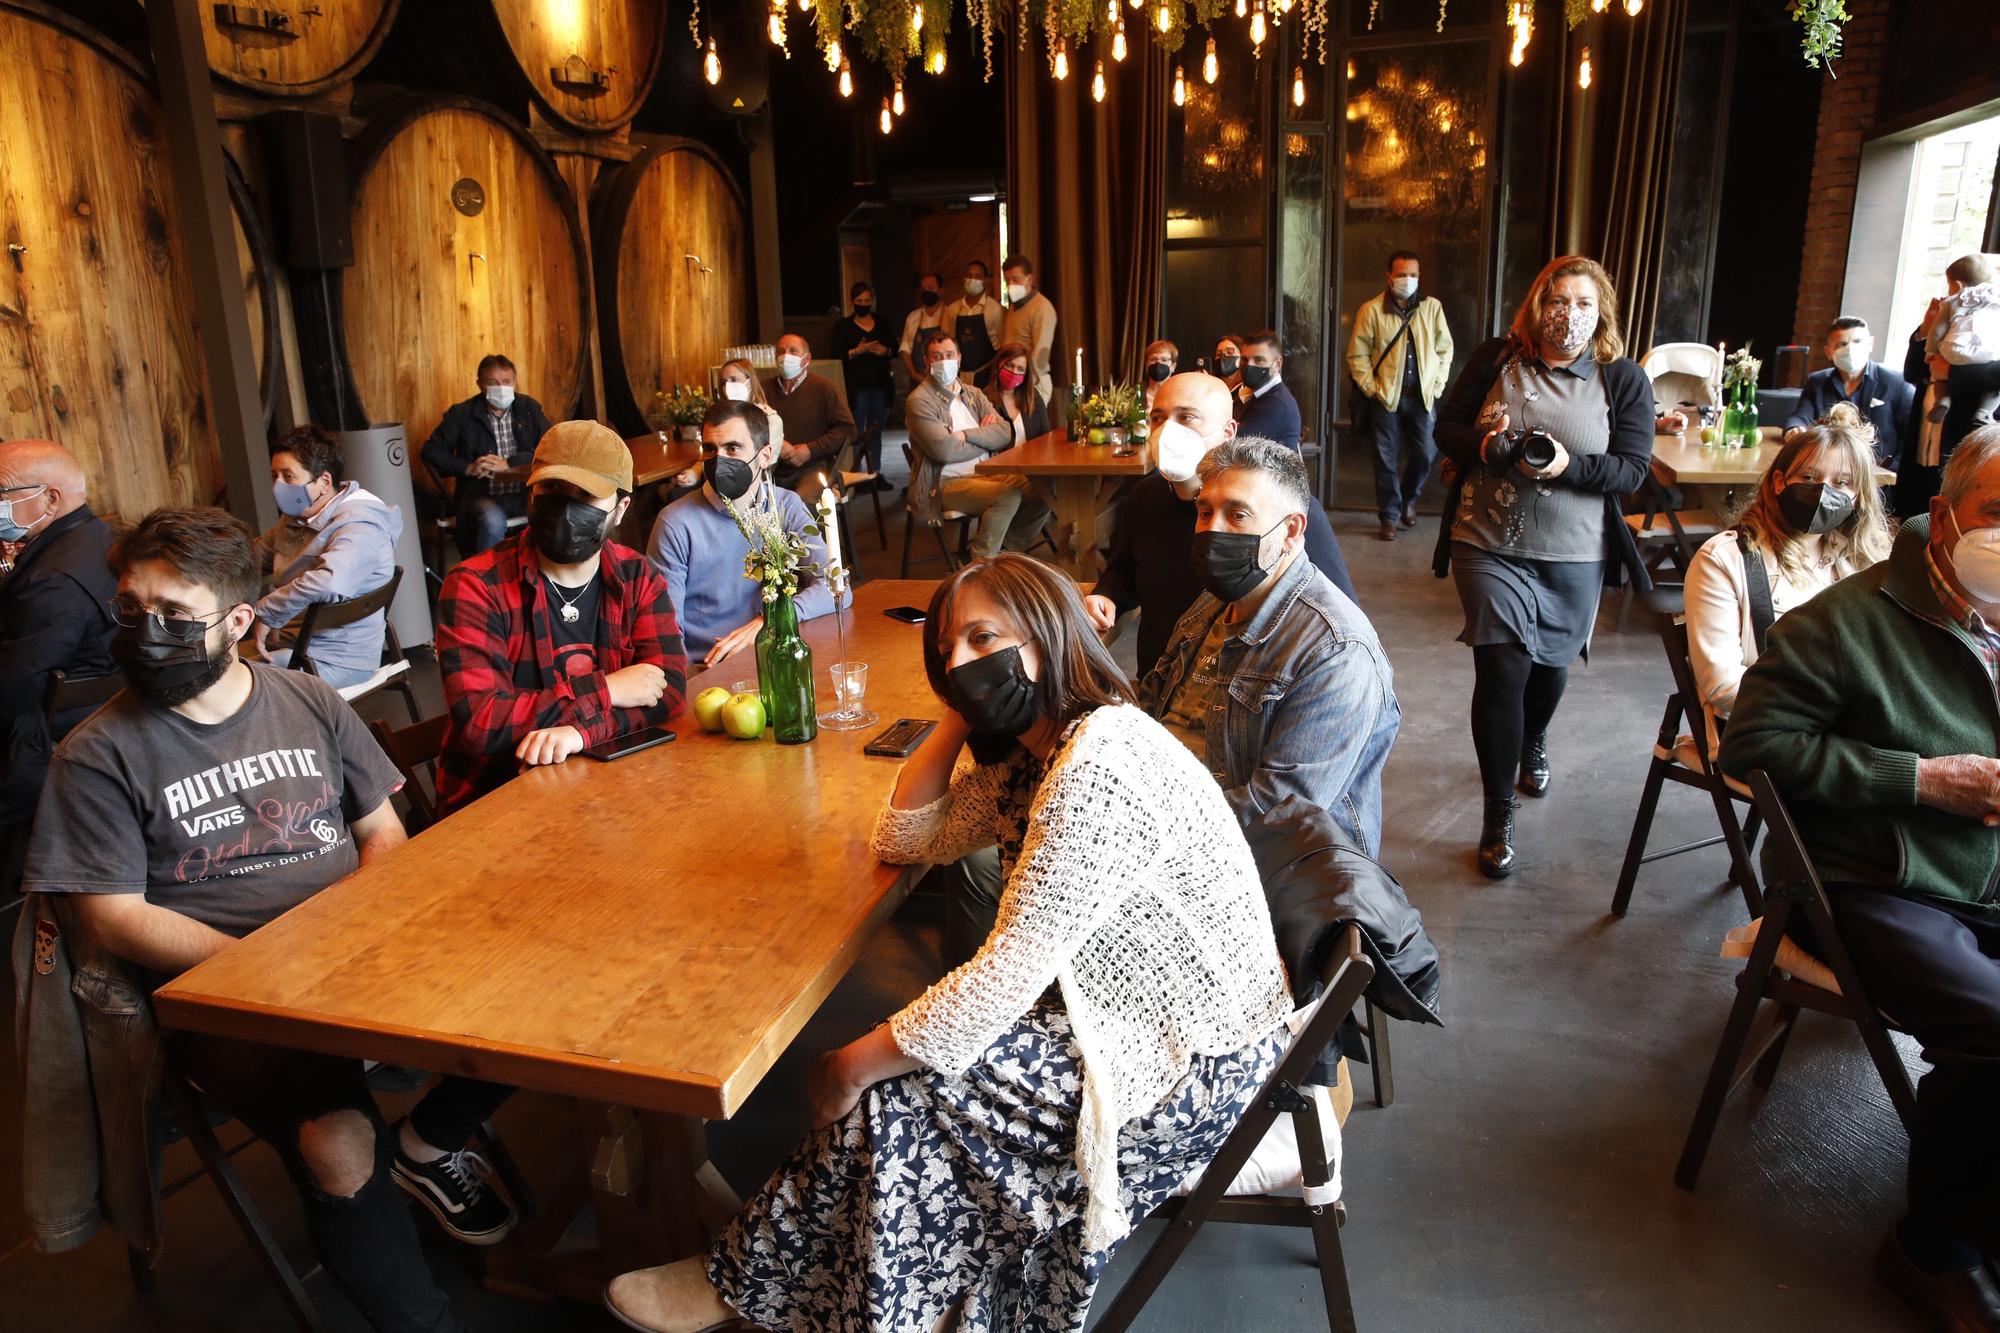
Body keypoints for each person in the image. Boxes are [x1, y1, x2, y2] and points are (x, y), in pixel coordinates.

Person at [604, 553, 1294, 1333]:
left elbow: (1001, 978)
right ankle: (781, 1287)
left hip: (1189, 1065)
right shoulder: (1040, 756)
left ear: (1046, 630)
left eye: (981, 638)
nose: (961, 662)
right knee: (901, 1086)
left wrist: (847, 1062)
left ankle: (747, 1283)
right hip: (1116, 1021)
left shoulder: (1099, 761)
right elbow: (905, 837)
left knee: (888, 1093)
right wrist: (960, 713)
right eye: (946, 652)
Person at [22, 506, 515, 1333]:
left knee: (541, 1002)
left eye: (176, 616)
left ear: (240, 619)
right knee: (337, 1142)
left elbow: (381, 831)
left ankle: (428, 1143)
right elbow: (111, 918)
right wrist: (270, 968)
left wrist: (356, 938)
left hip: (355, 954)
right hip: (226, 996)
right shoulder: (96, 755)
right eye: (133, 610)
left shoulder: (307, 700)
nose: (147, 631)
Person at [1720, 427, 2000, 1332]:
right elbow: (1753, 744)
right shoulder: (1849, 619)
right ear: (1949, 513)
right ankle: (1931, 1250)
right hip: (1876, 877)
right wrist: (1919, 778)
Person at [1433, 254, 1654, 879]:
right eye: (1559, 301)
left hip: (1574, 550)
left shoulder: (1623, 379)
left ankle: (1533, 738)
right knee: (1502, 666)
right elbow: (1446, 429)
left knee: (1550, 671)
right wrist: (1488, 447)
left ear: (1602, 312)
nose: (1570, 314)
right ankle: (1498, 813)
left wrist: (1567, 466)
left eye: (1585, 304)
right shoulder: (1495, 359)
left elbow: (1632, 470)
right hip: (1488, 539)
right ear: (1537, 305)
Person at [1137, 439, 1399, 851]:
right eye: (1205, 513)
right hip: (1162, 820)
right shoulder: (1212, 604)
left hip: (1254, 872)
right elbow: (1153, 709)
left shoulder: (1336, 651)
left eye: (1237, 515)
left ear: (1291, 531)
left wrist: (1138, 832)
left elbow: (1279, 814)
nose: (1213, 531)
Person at [434, 421, 687, 815]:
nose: (566, 508)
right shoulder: (474, 585)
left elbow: (668, 690)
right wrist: (607, 690)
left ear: (620, 509)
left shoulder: (638, 577)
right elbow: (482, 723)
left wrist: (580, 734)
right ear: (531, 493)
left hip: (606, 791)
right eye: (552, 489)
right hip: (493, 804)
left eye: (585, 496)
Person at [1086, 372, 1356, 676]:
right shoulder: (1144, 498)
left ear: (1228, 432)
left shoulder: (1279, 510)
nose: (1167, 431)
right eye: (1158, 419)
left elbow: (1340, 617)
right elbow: (1124, 569)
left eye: (1187, 418)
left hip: (1247, 692)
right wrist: (1106, 594)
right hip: (1160, 686)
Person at [1683, 421, 1892, 754]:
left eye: (1842, 483)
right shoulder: (1726, 560)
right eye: (1809, 478)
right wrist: (1833, 719)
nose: (1823, 491)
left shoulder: (1865, 562)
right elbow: (1722, 687)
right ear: (1780, 482)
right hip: (1773, 730)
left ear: (1856, 499)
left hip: (1853, 728)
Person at [648, 400, 848, 668]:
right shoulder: (675, 523)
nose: (719, 460)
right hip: (706, 666)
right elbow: (665, 631)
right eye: (710, 449)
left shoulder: (785, 506)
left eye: (733, 448)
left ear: (765, 455)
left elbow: (837, 589)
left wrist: (771, 621)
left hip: (774, 653)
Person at [0, 439, 115, 896]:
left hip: (49, 747)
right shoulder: (100, 539)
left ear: (50, 498)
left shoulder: (53, 580)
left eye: (3, 491)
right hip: (95, 722)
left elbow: (10, 692)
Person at [253, 426, 403, 687]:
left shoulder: (360, 525)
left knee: (237, 688)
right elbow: (254, 555)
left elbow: (329, 581)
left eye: (288, 476)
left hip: (339, 659)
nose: (278, 486)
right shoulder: (297, 518)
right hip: (295, 642)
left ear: (323, 482)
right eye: (274, 476)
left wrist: (266, 612)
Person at [906, 330, 1052, 559]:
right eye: (936, 356)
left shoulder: (973, 394)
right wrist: (983, 437)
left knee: (1047, 487)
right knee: (1007, 495)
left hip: (986, 474)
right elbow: (943, 450)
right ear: (926, 361)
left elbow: (1004, 433)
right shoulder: (920, 400)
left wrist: (964, 435)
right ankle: (981, 565)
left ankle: (1007, 552)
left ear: (959, 358)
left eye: (949, 354)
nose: (944, 362)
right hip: (944, 482)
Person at [1348, 251, 1454, 541]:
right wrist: (1373, 389)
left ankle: (1408, 500)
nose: (1408, 280)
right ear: (1389, 277)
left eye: (1414, 275)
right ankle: (1390, 516)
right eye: (1402, 274)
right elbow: (1357, 355)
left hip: (1421, 398)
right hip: (1386, 399)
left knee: (1425, 454)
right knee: (1385, 459)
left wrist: (1436, 387)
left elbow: (1445, 351)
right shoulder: (1371, 310)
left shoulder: (1431, 308)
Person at [419, 353, 554, 559]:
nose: (501, 387)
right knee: (492, 520)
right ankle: (488, 584)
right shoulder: (461, 414)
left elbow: (551, 445)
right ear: (480, 384)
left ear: (515, 381)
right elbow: (431, 451)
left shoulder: (528, 408)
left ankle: (546, 577)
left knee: (556, 510)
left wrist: (508, 463)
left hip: (526, 492)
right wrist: (469, 468)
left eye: (506, 381)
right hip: (482, 496)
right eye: (493, 382)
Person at [1782, 316, 1912, 467]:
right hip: (1827, 467)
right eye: (1842, 344)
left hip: (1878, 472)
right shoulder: (1817, 381)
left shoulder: (1897, 383)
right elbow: (1800, 416)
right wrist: (1794, 429)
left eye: (1857, 342)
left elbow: (1911, 436)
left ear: (1870, 344)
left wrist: (1891, 469)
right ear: (1828, 351)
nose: (1850, 349)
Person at [1915, 255, 2000, 470]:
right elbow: (1913, 372)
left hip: (1966, 431)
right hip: (1927, 431)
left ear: (1956, 285)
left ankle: (1978, 412)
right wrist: (1925, 330)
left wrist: (1950, 372)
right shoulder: (1953, 311)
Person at [767, 332, 856, 506]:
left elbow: (847, 430)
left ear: (806, 359)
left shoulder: (824, 388)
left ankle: (806, 535)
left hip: (814, 467)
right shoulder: (764, 389)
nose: (786, 356)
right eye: (781, 351)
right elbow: (752, 427)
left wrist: (810, 449)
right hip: (772, 467)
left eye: (793, 351)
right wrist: (778, 442)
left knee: (801, 503)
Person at [830, 282, 894, 483]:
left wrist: (885, 351)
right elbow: (835, 354)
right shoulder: (843, 326)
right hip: (856, 387)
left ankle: (875, 472)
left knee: (876, 430)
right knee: (856, 431)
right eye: (859, 301)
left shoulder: (882, 322)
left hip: (880, 385)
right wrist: (857, 351)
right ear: (852, 302)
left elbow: (895, 347)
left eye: (867, 301)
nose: (864, 304)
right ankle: (857, 474)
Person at [1001, 254, 1058, 402]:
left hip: (1032, 382)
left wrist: (1022, 384)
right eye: (1007, 280)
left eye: (1015, 279)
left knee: (1028, 425)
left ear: (1030, 279)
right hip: (1013, 378)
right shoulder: (1014, 306)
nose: (1010, 284)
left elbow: (1040, 356)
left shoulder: (1042, 307)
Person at [1234, 330, 1303, 452]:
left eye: (1259, 360)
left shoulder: (1276, 404)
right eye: (1244, 359)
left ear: (1277, 364)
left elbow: (1231, 446)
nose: (1249, 365)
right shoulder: (1252, 395)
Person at [942, 259, 1004, 388]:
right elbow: (947, 342)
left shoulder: (995, 309)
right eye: (969, 276)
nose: (972, 280)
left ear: (985, 280)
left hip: (987, 376)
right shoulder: (953, 309)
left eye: (978, 277)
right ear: (964, 278)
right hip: (958, 376)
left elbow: (1002, 346)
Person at [989, 341, 1051, 444]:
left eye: (1020, 369)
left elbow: (1046, 438)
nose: (1014, 372)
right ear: (998, 365)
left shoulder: (1033, 397)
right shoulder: (983, 399)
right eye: (1009, 365)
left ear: (1026, 375)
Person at [899, 272, 946, 385]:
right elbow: (905, 349)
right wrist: (914, 374)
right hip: (918, 381)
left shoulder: (950, 315)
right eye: (923, 289)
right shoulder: (912, 317)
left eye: (930, 288)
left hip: (943, 381)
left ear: (941, 291)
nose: (926, 292)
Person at [1140, 338, 1178, 413]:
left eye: (1164, 360)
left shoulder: (1179, 393)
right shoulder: (1135, 393)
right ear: (1146, 365)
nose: (1158, 363)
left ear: (1173, 366)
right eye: (1153, 359)